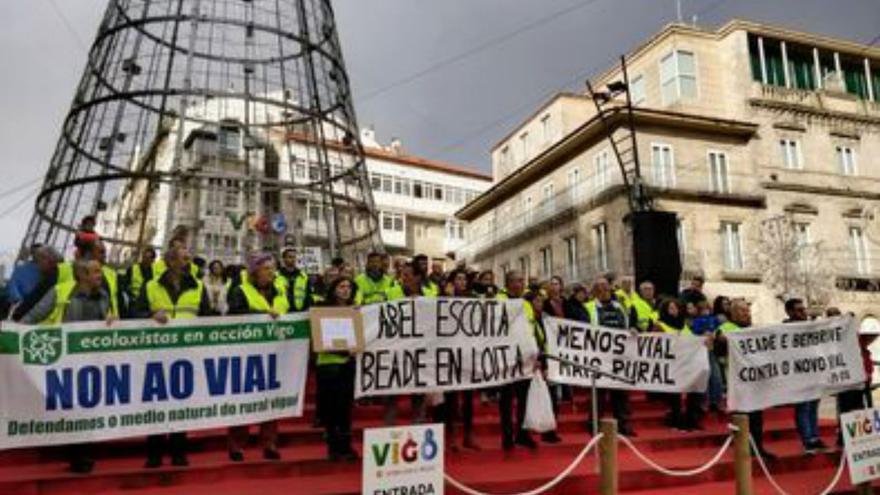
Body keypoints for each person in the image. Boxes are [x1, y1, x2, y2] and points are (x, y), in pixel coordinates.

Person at [22, 257, 114, 473]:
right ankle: (78, 455)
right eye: (96, 272)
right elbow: (34, 316)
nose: (100, 276)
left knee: (87, 407)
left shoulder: (104, 297)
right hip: (64, 361)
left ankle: (83, 455)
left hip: (92, 362)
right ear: (82, 275)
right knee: (72, 409)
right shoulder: (61, 291)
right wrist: (13, 334)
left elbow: (107, 322)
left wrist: (111, 321)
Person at [135, 241, 211, 468]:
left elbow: (208, 318)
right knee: (157, 404)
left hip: (187, 354)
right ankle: (155, 453)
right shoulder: (150, 287)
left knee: (181, 404)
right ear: (170, 262)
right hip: (157, 354)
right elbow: (133, 313)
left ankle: (179, 452)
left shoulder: (198, 286)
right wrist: (150, 314)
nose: (188, 263)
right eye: (184, 259)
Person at [225, 253, 289, 461]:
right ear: (255, 271)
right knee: (243, 400)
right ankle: (236, 446)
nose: (272, 272)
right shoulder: (240, 291)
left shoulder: (280, 293)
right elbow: (234, 318)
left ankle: (269, 444)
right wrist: (262, 317)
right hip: (247, 356)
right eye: (267, 268)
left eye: (273, 269)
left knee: (270, 401)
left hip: (274, 355)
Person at [717, 299, 776, 460]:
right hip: (738, 383)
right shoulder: (726, 328)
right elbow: (719, 344)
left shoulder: (753, 330)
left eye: (748, 311)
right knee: (742, 418)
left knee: (757, 418)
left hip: (755, 382)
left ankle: (757, 448)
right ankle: (743, 450)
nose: (747, 314)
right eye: (743, 311)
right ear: (734, 313)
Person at [436, 269, 481, 451]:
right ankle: (450, 435)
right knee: (450, 398)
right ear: (451, 282)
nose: (462, 282)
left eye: (464, 279)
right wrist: (447, 298)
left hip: (467, 353)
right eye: (458, 279)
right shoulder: (442, 299)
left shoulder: (472, 299)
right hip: (448, 354)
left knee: (468, 397)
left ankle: (468, 435)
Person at [316, 276, 359, 461]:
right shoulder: (323, 309)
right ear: (334, 289)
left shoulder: (355, 310)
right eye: (341, 286)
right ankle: (333, 447)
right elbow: (319, 340)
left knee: (345, 408)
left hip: (348, 364)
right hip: (328, 365)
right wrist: (345, 351)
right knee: (331, 408)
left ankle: (346, 446)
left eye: (348, 287)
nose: (345, 290)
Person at [586, 276, 635, 436]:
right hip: (598, 357)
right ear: (594, 291)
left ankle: (623, 425)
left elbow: (626, 326)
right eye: (599, 287)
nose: (603, 290)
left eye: (606, 287)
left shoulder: (619, 307)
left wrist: (632, 331)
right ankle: (595, 425)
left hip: (619, 357)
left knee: (621, 393)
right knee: (598, 394)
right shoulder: (588, 307)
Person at [496, 271, 537, 450]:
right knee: (506, 399)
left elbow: (532, 330)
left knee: (524, 399)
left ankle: (522, 433)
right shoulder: (499, 300)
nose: (521, 284)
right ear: (508, 283)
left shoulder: (527, 304)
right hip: (506, 358)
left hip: (525, 359)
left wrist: (536, 353)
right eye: (517, 281)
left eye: (522, 281)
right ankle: (507, 436)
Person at [783, 298, 829, 454]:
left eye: (803, 310)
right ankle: (807, 440)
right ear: (789, 312)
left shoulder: (811, 327)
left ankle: (815, 437)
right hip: (797, 375)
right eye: (798, 310)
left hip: (813, 372)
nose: (803, 313)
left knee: (813, 407)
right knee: (803, 407)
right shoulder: (783, 330)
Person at [657, 298, 703, 431]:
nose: (674, 310)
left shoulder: (684, 325)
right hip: (671, 365)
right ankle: (676, 419)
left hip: (687, 363)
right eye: (671, 308)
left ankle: (691, 419)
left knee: (695, 390)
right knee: (675, 395)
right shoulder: (659, 325)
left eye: (676, 308)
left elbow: (692, 340)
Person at [10, 245, 61, 320]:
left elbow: (35, 300)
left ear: (47, 260)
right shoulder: (52, 274)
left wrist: (16, 316)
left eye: (39, 262)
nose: (38, 266)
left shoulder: (50, 279)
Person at [278, 247, 312, 312]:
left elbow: (308, 294)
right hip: (282, 313)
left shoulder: (303, 276)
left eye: (294, 257)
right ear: (284, 259)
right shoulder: (276, 275)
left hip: (300, 312)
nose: (293, 259)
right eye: (290, 257)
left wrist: (308, 308)